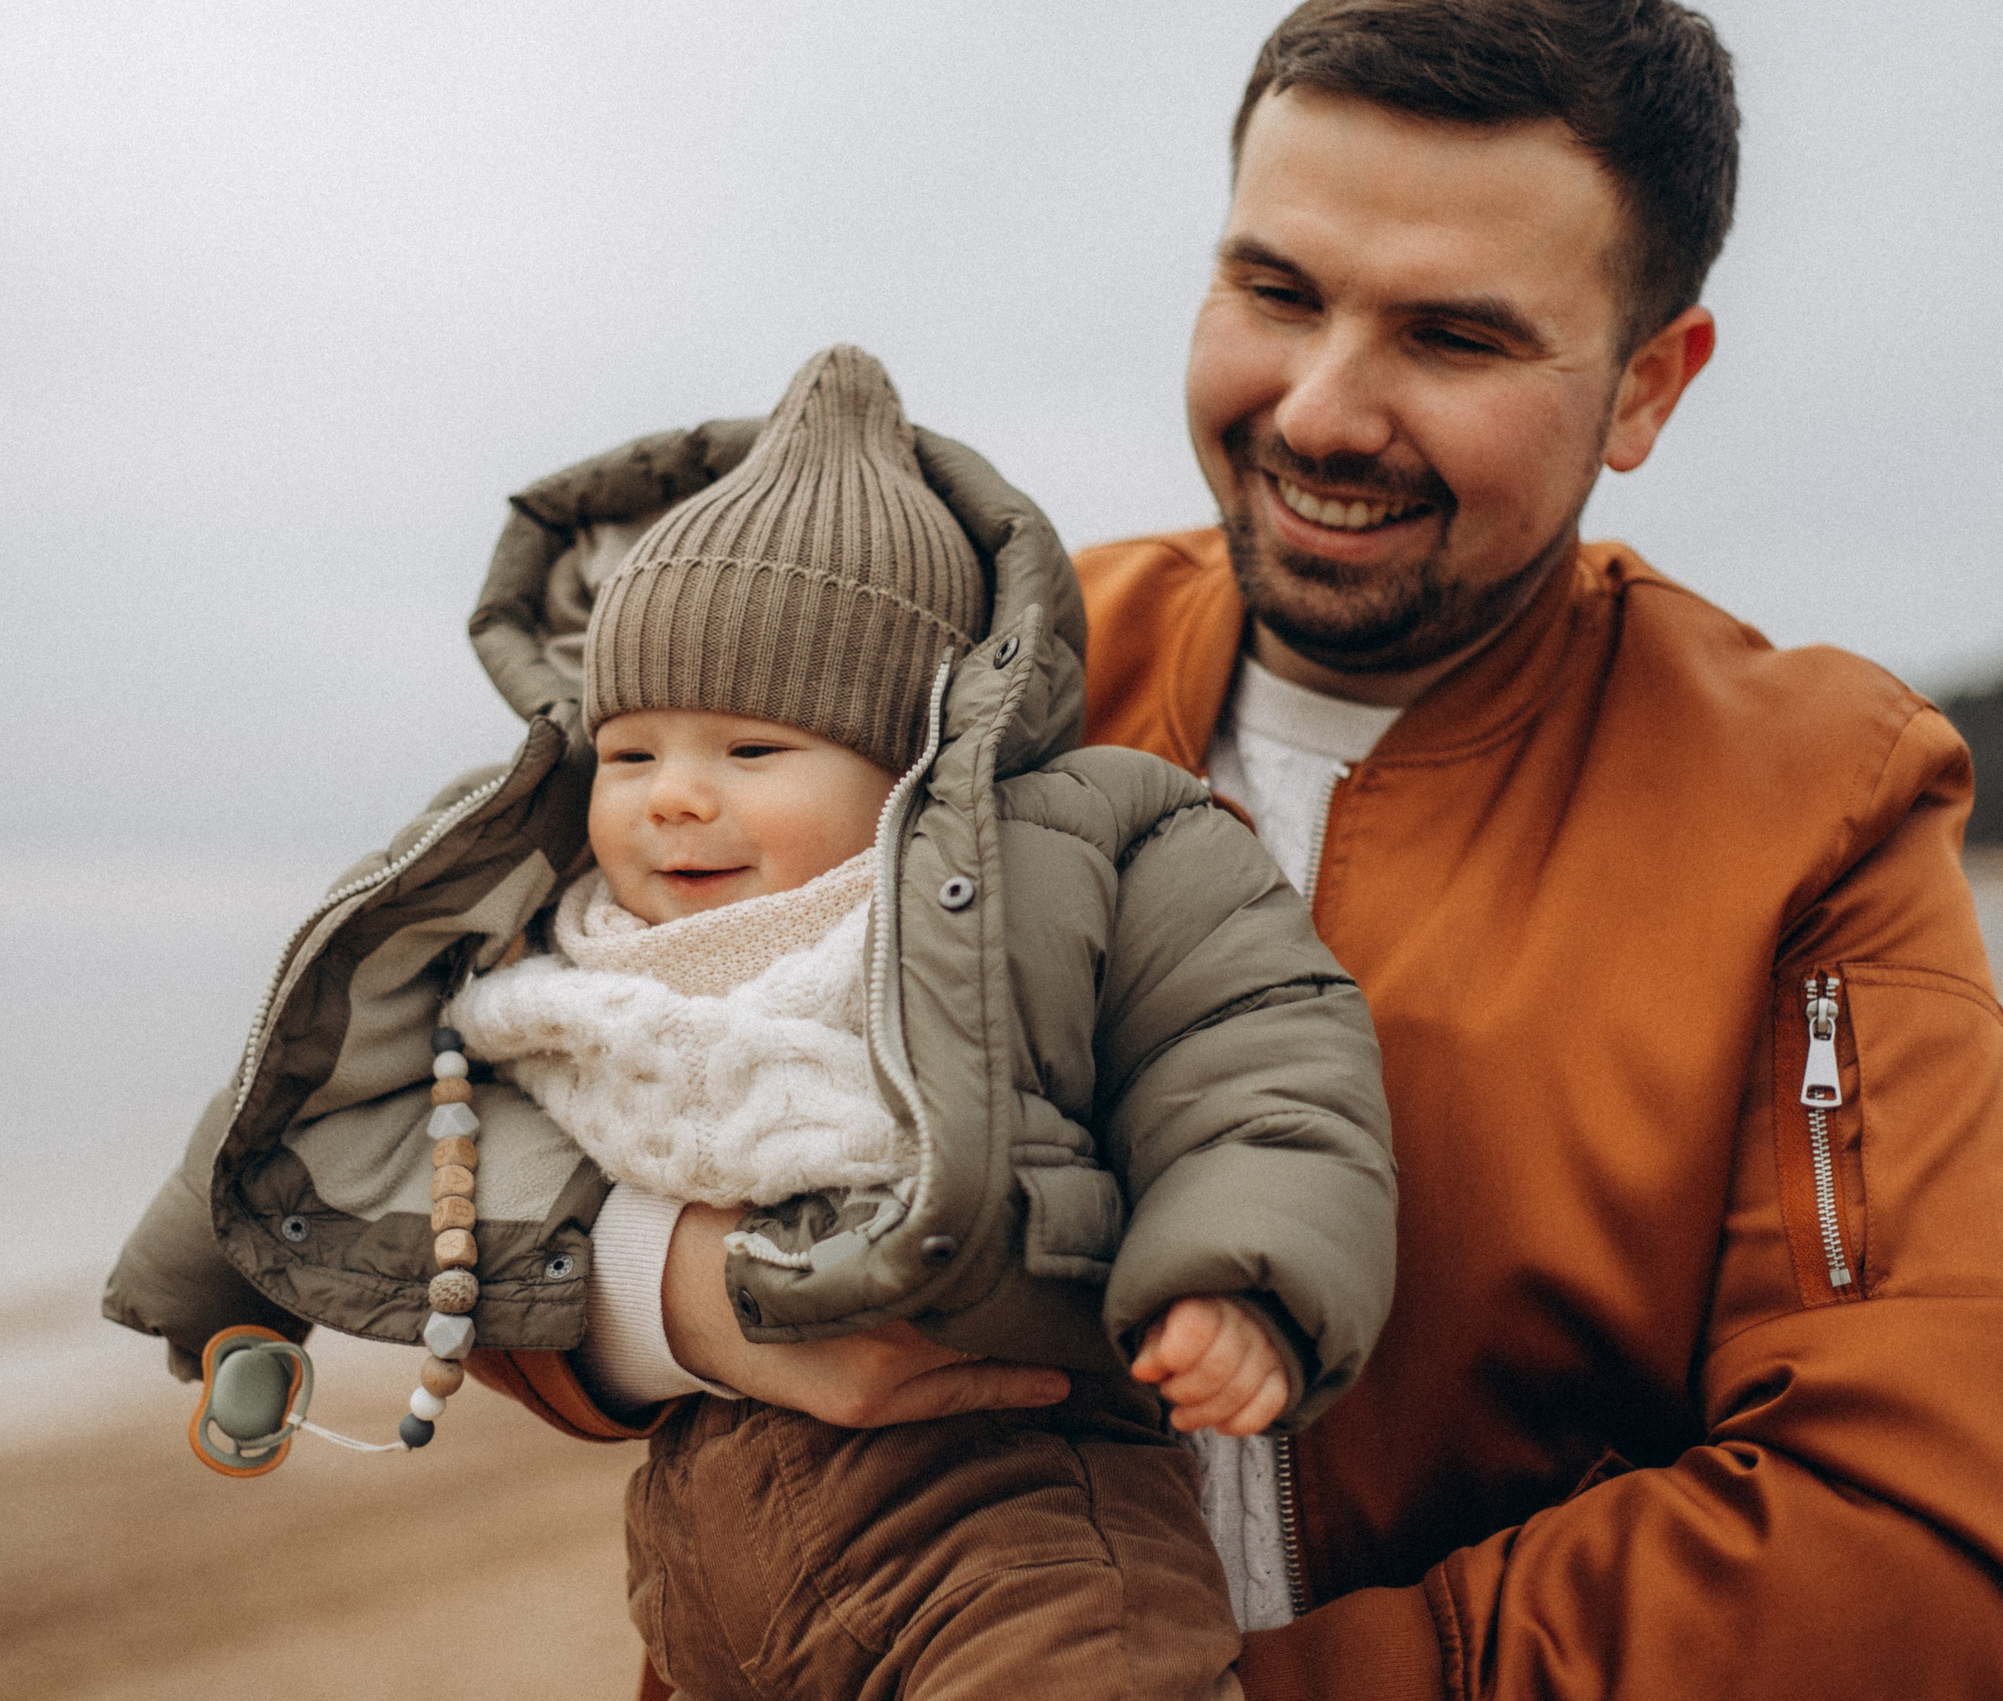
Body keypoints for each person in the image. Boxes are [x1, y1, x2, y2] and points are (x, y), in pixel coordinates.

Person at [480, 0, 2003, 1699]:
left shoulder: (1813, 797)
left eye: (1458, 339)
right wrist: (680, 1293)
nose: (1323, 411)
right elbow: (471, 1090)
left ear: (1647, 384)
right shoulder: (943, 683)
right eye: (1275, 292)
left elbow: (1932, 1537)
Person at [103, 343, 1398, 1698]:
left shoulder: (1064, 861)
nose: (672, 796)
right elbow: (330, 1069)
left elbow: (1256, 1058)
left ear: (912, 760)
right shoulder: (559, 946)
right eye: (631, 751)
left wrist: (1241, 1275)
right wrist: (220, 1288)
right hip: (706, 1533)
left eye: (752, 751)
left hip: (1009, 1503)